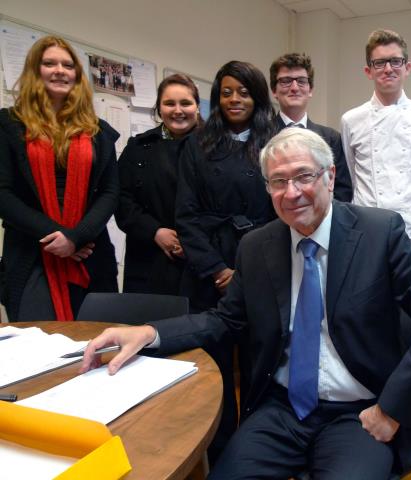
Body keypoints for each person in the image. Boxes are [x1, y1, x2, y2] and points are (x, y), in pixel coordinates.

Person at [81, 127, 411, 479]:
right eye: (278, 181)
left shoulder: (380, 233)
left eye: (303, 176)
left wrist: (392, 409)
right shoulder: (257, 246)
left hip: (360, 412)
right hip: (281, 409)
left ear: (330, 177)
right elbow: (225, 321)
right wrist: (150, 333)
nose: (292, 192)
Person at [175, 60, 277, 462]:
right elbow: (185, 215)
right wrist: (218, 268)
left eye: (245, 92)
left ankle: (256, 449)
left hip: (264, 262)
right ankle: (218, 453)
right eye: (227, 91)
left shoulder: (276, 140)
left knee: (258, 366)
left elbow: (285, 211)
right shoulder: (197, 144)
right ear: (217, 96)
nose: (235, 99)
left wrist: (246, 270)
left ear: (258, 97)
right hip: (209, 269)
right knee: (214, 368)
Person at [0, 35, 118, 322]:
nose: (60, 70)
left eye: (68, 65)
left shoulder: (98, 131)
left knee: (97, 346)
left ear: (77, 74)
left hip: (90, 253)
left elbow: (111, 191)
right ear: (34, 71)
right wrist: (59, 236)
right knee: (37, 348)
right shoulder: (9, 124)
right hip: (31, 255)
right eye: (49, 63)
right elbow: (2, 194)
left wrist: (76, 237)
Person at [341, 29, 411, 258]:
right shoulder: (351, 119)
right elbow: (353, 175)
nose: (388, 69)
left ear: (407, 67)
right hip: (366, 231)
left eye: (395, 61)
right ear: (368, 71)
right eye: (379, 63)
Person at [115, 74, 201, 295]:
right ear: (159, 108)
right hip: (147, 259)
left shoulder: (214, 148)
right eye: (169, 103)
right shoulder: (138, 147)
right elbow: (120, 198)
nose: (177, 110)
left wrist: (191, 239)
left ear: (197, 107)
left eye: (186, 103)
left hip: (200, 260)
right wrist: (154, 231)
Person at [269, 52, 352, 202]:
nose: (294, 87)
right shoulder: (260, 135)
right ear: (274, 91)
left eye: (301, 81)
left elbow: (342, 190)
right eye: (286, 81)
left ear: (310, 90)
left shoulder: (331, 138)